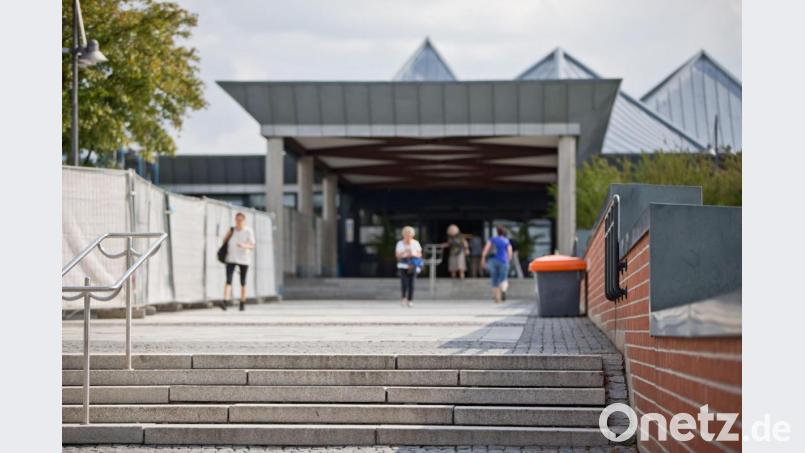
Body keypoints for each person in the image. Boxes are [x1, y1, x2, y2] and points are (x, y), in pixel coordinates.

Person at [221, 212, 256, 311]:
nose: (238, 222)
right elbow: (224, 241)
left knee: (243, 282)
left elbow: (253, 245)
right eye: (237, 220)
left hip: (244, 259)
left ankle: (242, 302)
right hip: (231, 258)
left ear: (244, 220)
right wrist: (227, 236)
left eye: (240, 220)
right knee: (228, 280)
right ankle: (225, 301)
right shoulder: (232, 230)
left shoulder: (248, 231)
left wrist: (244, 246)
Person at [481, 226, 513, 304]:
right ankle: (503, 290)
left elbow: (486, 250)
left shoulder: (492, 239)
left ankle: (497, 298)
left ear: (497, 232)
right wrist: (508, 260)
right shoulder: (506, 241)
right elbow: (510, 252)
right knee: (503, 279)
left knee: (494, 279)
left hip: (493, 261)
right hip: (503, 261)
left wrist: (483, 259)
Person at [395, 225, 422, 307]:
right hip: (403, 264)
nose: (408, 235)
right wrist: (404, 252)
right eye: (406, 234)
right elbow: (397, 255)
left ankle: (410, 300)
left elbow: (419, 254)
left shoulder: (416, 243)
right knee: (404, 282)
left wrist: (412, 253)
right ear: (404, 234)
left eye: (409, 234)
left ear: (412, 234)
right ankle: (403, 298)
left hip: (413, 264)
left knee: (412, 283)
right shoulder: (400, 243)